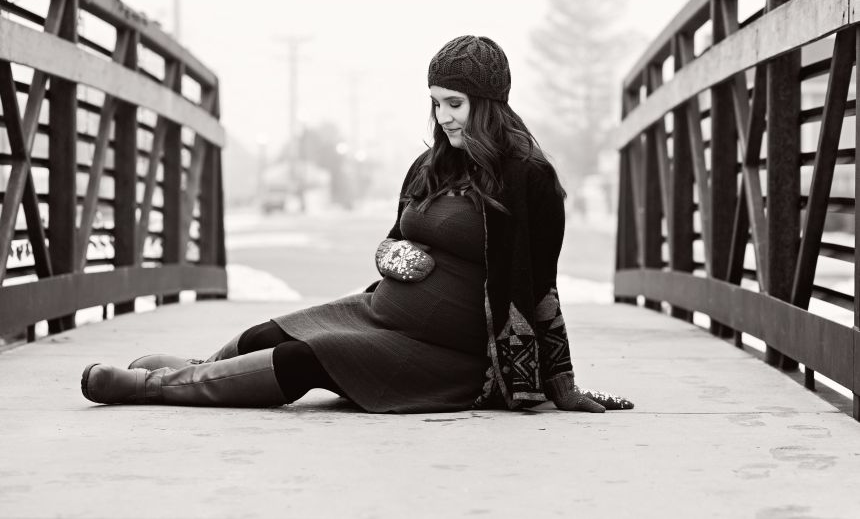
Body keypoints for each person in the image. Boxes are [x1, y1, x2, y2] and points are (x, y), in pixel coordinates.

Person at [81, 35, 633, 413]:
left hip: (451, 360)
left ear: (488, 103)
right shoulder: (432, 164)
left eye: (456, 104)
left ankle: (156, 387)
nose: (443, 118)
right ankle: (202, 368)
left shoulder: (527, 178)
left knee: (304, 358)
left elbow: (541, 289)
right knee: (274, 332)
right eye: (436, 104)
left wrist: (560, 383)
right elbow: (396, 238)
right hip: (380, 314)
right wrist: (396, 257)